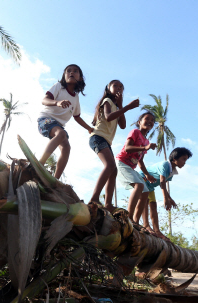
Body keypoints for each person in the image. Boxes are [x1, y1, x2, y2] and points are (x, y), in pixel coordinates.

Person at [88, 80, 140, 211]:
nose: (118, 88)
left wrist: (122, 105)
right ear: (108, 88)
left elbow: (122, 125)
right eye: (115, 85)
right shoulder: (107, 101)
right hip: (97, 137)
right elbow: (109, 117)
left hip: (105, 141)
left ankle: (108, 204)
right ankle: (94, 198)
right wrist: (127, 107)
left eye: (121, 87)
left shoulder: (117, 107)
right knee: (110, 166)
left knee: (114, 171)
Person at [37, 64, 92, 179]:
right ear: (64, 75)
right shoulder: (58, 87)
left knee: (66, 148)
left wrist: (89, 128)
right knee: (61, 134)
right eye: (68, 71)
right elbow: (44, 100)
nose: (71, 73)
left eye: (75, 71)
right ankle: (40, 163)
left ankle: (56, 180)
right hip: (45, 119)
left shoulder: (76, 98)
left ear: (80, 78)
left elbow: (77, 117)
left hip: (59, 125)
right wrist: (57, 102)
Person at [138, 147, 193, 238]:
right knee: (145, 201)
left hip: (150, 186)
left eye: (185, 160)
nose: (184, 163)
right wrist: (165, 199)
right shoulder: (165, 165)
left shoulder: (172, 171)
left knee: (153, 205)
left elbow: (162, 184)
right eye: (183, 159)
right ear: (175, 159)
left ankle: (157, 230)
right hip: (143, 179)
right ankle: (146, 225)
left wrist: (170, 199)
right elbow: (162, 182)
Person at [115, 112, 157, 223]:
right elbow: (127, 148)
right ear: (139, 122)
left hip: (131, 167)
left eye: (152, 120)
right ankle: (128, 217)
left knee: (145, 191)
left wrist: (147, 175)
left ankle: (135, 221)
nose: (149, 121)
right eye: (147, 119)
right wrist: (145, 147)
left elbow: (140, 161)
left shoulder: (146, 141)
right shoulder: (135, 132)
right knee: (138, 186)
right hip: (122, 163)